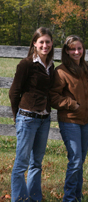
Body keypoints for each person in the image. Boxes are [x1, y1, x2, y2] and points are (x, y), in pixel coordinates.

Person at [9, 27, 54, 202]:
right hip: (27, 119)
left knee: (36, 163)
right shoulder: (26, 64)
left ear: (51, 44)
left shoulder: (50, 66)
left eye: (48, 42)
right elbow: (14, 92)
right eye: (41, 42)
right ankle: (19, 199)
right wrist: (18, 117)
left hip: (44, 120)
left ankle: (34, 198)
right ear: (34, 43)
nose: (45, 45)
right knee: (21, 164)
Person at [50, 35, 88, 201]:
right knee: (75, 160)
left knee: (80, 161)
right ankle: (68, 198)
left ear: (83, 50)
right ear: (66, 51)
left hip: (86, 120)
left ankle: (77, 196)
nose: (76, 52)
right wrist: (71, 104)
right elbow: (53, 96)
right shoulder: (61, 71)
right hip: (69, 121)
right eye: (72, 49)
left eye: (79, 48)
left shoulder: (87, 69)